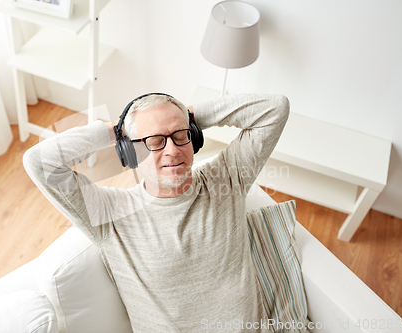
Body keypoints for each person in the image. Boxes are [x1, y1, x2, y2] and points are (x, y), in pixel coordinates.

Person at [23, 92, 289, 332]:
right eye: (155, 140)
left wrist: (188, 115)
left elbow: (275, 108)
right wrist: (115, 130)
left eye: (180, 135)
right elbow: (39, 161)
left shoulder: (226, 178)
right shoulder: (111, 214)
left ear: (193, 138)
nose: (172, 150)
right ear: (130, 151)